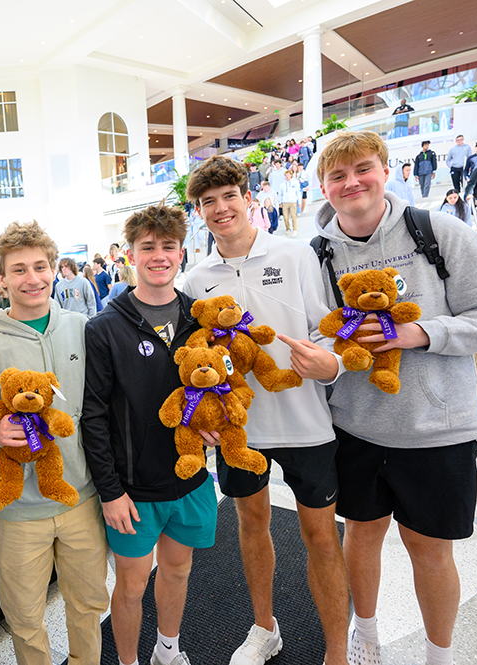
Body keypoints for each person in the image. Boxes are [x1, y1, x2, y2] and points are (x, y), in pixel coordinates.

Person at [313, 131, 477, 665]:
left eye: (363, 168)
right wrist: (330, 356)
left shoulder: (439, 232)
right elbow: (316, 330)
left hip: (437, 428)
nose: (352, 182)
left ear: (386, 171)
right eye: (337, 175)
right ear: (323, 187)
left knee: (429, 549)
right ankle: (366, 635)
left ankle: (438, 655)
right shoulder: (318, 254)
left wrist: (420, 333)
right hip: (355, 427)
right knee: (360, 535)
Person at [183, 155, 349, 665]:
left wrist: (332, 364)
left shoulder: (295, 255)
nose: (220, 208)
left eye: (229, 196)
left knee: (321, 536)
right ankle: (264, 628)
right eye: (208, 202)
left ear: (248, 197)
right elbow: (193, 361)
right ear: (199, 212)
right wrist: (199, 417)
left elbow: (327, 327)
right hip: (241, 431)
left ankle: (338, 650)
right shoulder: (195, 279)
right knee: (251, 525)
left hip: (306, 423)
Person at [0, 221, 109, 665]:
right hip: (18, 511)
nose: (33, 278)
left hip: (82, 499)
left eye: (40, 266)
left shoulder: (82, 328)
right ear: (0, 278)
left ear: (54, 268)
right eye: (19, 269)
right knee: (25, 618)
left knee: (88, 606)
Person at [82, 204, 215, 665]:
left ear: (181, 253)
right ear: (131, 255)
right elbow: (93, 416)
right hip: (133, 490)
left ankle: (167, 650)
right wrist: (110, 491)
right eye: (148, 247)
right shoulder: (104, 328)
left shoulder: (200, 320)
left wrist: (217, 421)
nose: (159, 256)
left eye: (168, 246)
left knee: (177, 570)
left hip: (189, 478)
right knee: (132, 584)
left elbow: (217, 385)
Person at [279, 169, 302, 237]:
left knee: (293, 216)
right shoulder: (282, 185)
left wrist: (299, 201)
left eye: (288, 175)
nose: (287, 176)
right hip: (285, 202)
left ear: (291, 175)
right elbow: (280, 194)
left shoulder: (295, 183)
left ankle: (294, 229)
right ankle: (288, 229)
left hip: (293, 201)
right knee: (285, 217)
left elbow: (298, 192)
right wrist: (280, 202)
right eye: (286, 175)